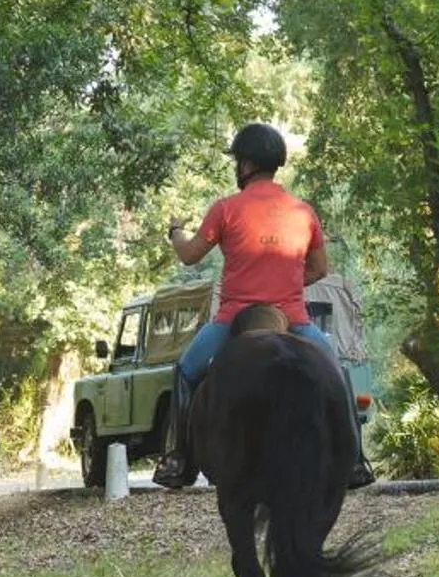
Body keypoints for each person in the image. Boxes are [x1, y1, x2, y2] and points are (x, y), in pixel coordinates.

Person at [152, 122, 376, 490]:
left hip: (232, 320)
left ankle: (179, 459)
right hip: (293, 319)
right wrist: (285, 282)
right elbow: (320, 268)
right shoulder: (303, 213)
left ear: (246, 165)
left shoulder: (226, 209)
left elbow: (190, 255)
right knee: (335, 369)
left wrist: (175, 232)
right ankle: (352, 460)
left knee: (188, 370)